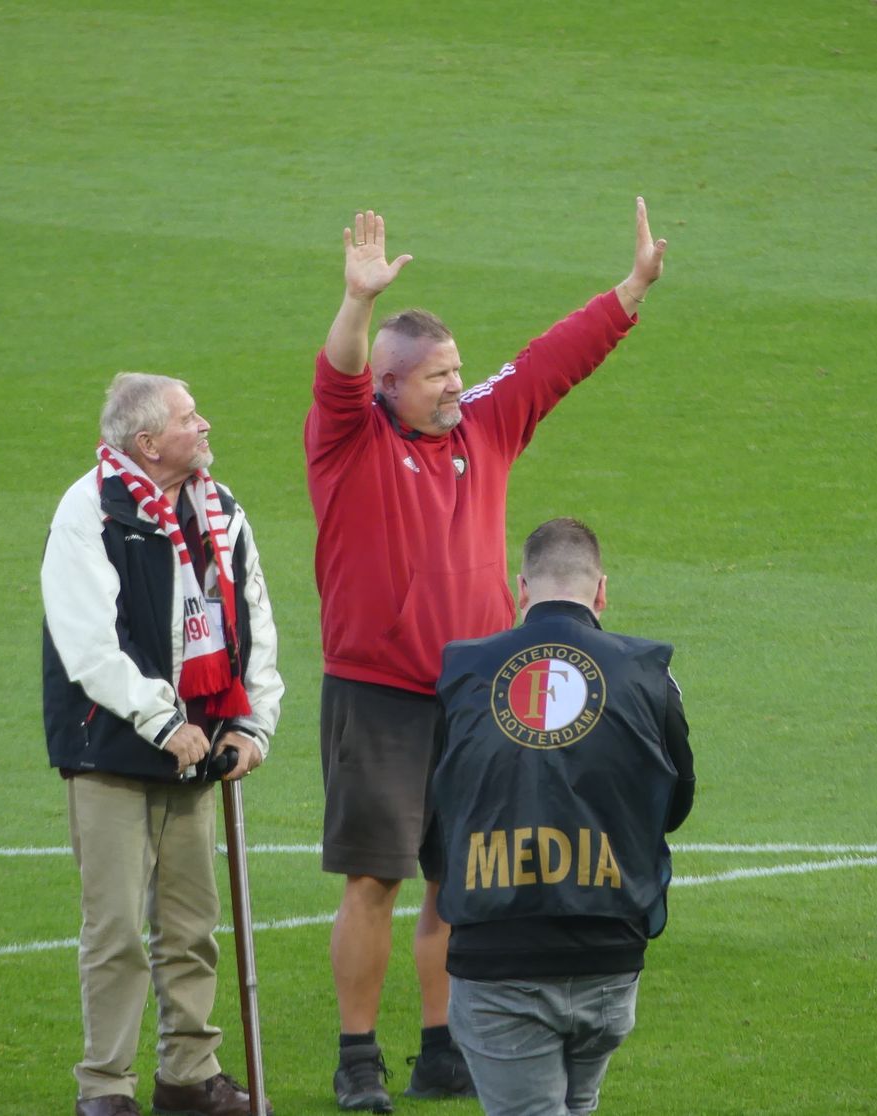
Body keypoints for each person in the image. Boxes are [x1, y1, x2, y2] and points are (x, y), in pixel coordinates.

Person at [305, 200, 668, 1111]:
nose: (456, 387)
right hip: (378, 694)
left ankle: (443, 1045)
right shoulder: (349, 441)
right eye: (435, 376)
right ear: (388, 385)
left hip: (474, 694)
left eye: (460, 369)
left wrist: (628, 292)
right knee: (371, 880)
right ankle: (358, 1060)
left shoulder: (484, 426)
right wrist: (356, 302)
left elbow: (549, 364)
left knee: (456, 879)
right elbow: (336, 375)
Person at [42, 372, 283, 1116]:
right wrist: (161, 721)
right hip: (112, 749)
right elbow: (89, 645)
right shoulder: (89, 512)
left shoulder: (220, 509)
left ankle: (187, 1073)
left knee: (189, 925)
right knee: (115, 928)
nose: (205, 425)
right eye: (189, 418)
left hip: (197, 747)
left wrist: (250, 723)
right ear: (148, 443)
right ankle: (105, 1087)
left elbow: (252, 618)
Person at [432, 517, 696, 1116]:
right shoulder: (648, 671)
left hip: (497, 952)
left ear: (520, 588)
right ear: (601, 591)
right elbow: (676, 802)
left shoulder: (463, 671)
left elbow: (435, 803)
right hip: (610, 952)